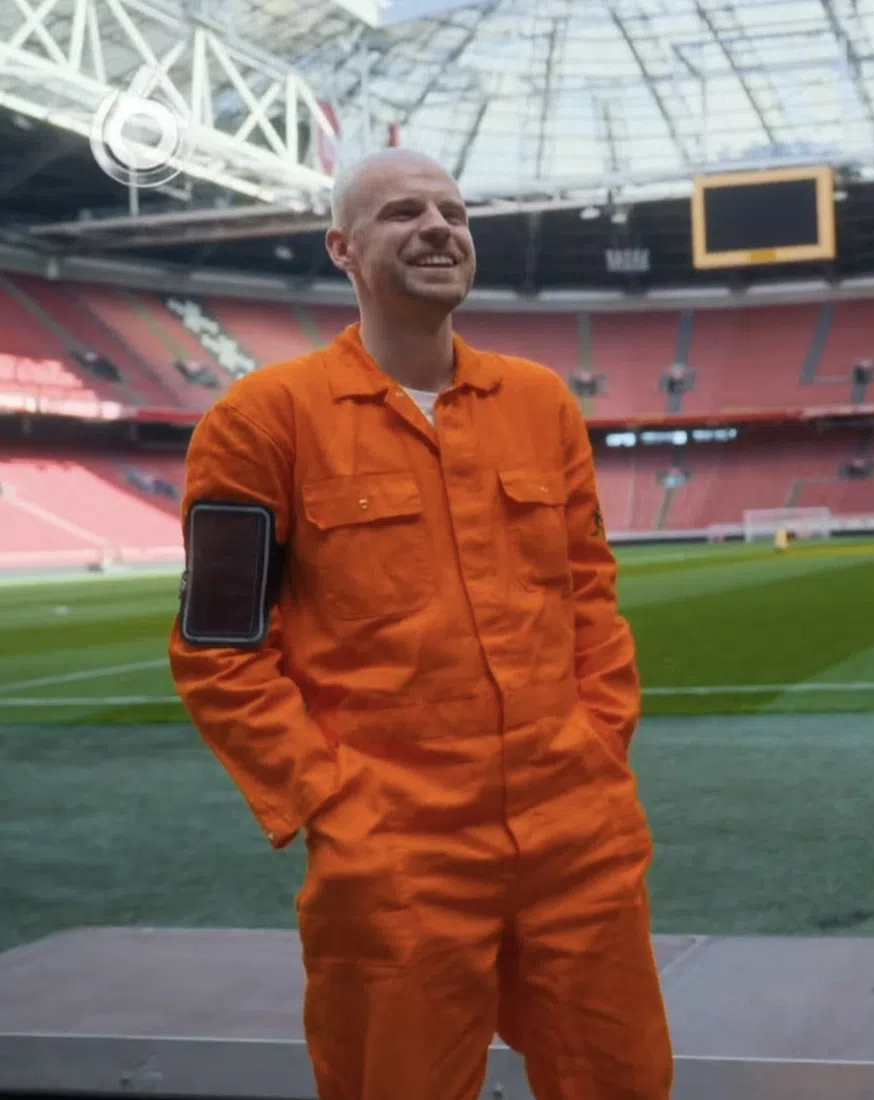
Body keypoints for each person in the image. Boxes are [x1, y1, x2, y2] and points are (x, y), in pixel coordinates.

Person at [168, 148, 673, 1100]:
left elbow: (590, 597)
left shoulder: (541, 404)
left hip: (578, 831)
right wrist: (334, 807)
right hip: (395, 847)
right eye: (403, 212)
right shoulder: (260, 421)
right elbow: (218, 651)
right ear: (342, 250)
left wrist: (599, 748)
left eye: (453, 210)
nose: (439, 226)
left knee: (625, 1080)